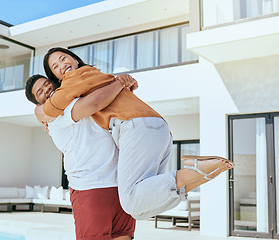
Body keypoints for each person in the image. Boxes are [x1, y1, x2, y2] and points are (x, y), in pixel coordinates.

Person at [35, 47, 235, 220]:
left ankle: (193, 169)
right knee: (139, 211)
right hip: (158, 128)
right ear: (55, 74)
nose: (62, 65)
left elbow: (51, 109)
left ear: (74, 59)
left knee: (130, 201)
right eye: (55, 66)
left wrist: (41, 113)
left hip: (134, 126)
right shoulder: (97, 74)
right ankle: (201, 175)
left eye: (63, 59)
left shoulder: (72, 79)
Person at [25, 73, 138, 240]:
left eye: (47, 84)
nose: (46, 89)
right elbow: (94, 103)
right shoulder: (54, 115)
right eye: (40, 92)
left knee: (123, 236)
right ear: (38, 103)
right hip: (90, 187)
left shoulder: (79, 96)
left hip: (120, 184)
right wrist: (119, 82)